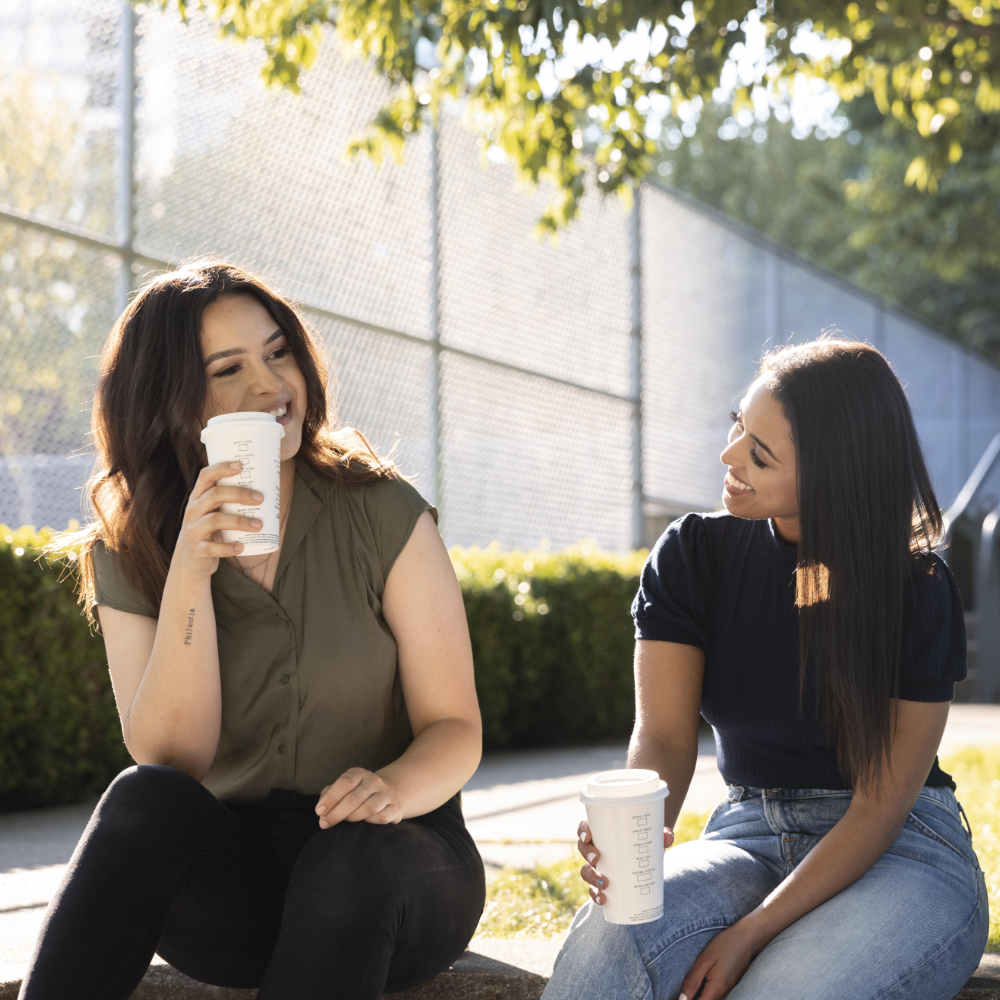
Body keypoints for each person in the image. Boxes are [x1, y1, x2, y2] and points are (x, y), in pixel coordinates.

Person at [23, 258, 485, 999]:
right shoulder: (131, 544)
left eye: (278, 352)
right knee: (143, 798)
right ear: (171, 402)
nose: (271, 386)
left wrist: (390, 789)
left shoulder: (381, 508)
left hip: (398, 861)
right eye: (228, 369)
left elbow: (455, 725)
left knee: (348, 859)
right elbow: (172, 755)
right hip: (239, 885)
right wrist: (188, 573)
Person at [543, 339, 988, 1000]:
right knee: (611, 936)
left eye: (760, 454)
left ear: (836, 474)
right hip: (748, 835)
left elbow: (879, 805)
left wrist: (751, 931)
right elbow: (663, 738)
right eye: (737, 428)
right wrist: (639, 828)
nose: (729, 459)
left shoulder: (916, 588)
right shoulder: (694, 555)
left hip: (901, 848)